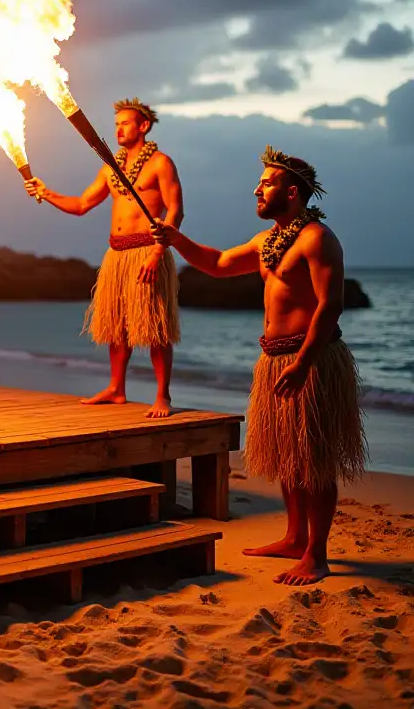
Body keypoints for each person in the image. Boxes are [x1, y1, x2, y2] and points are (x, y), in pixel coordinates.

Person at [152, 146, 366, 586]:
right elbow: (218, 264)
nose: (256, 189)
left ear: (291, 192)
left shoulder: (317, 239)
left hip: (314, 360)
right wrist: (177, 240)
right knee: (289, 455)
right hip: (273, 357)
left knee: (313, 458)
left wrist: (305, 362)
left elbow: (331, 306)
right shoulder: (267, 242)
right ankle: (293, 536)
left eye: (265, 184)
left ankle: (316, 554)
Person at [24, 98, 183, 417]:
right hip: (116, 254)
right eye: (116, 124)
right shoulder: (112, 167)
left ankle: (162, 396)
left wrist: (157, 252)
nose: (119, 129)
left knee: (155, 328)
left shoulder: (160, 164)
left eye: (125, 123)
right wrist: (46, 192)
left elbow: (175, 211)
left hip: (146, 252)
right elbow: (82, 204)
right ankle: (116, 388)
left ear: (143, 126)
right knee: (115, 325)